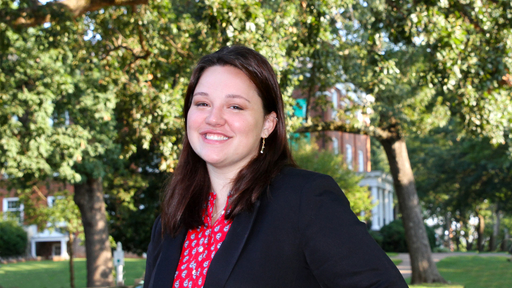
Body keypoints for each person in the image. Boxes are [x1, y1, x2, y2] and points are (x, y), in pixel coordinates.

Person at [143, 45, 407, 288]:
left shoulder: (305, 199)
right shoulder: (173, 218)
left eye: (235, 106)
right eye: (202, 103)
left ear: (268, 124)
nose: (214, 118)